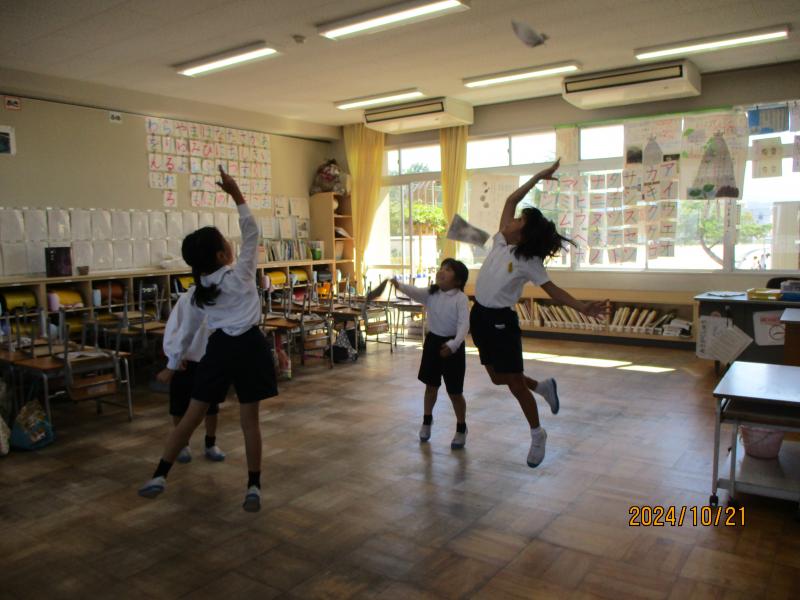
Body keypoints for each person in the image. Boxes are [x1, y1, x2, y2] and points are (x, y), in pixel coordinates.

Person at [139, 166, 277, 512]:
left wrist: (173, 365)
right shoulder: (240, 275)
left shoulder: (198, 291)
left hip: (219, 350)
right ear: (221, 255)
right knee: (250, 422)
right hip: (250, 347)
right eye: (225, 243)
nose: (231, 245)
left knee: (191, 416)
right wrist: (235, 194)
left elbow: (186, 332)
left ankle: (160, 475)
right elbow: (252, 231)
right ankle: (253, 486)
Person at [470, 158, 606, 468]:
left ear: (523, 234)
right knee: (497, 378)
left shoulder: (528, 261)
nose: (511, 219)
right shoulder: (501, 241)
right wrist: (537, 178)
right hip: (479, 316)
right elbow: (510, 200)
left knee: (515, 384)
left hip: (501, 322)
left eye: (518, 220)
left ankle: (537, 433)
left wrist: (582, 307)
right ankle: (543, 387)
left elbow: (553, 290)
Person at [391, 259, 470, 449]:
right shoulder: (432, 293)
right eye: (442, 268)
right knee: (430, 387)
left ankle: (461, 428)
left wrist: (454, 344)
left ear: (458, 280)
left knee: (455, 392)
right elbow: (415, 292)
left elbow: (464, 325)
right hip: (433, 343)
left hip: (452, 346)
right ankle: (427, 421)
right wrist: (399, 285)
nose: (442, 271)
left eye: (448, 270)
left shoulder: (460, 298)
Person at [158, 289, 226, 464]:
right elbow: (173, 329)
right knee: (179, 406)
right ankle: (183, 444)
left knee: (211, 407)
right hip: (185, 361)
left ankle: (210, 443)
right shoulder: (186, 299)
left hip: (209, 360)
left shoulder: (222, 297)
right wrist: (173, 357)